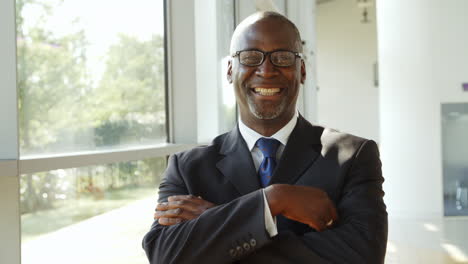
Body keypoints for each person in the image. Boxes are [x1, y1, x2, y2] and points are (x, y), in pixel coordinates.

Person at [143, 11, 387, 264]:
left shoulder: (353, 156)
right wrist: (272, 201)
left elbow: (362, 256)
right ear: (229, 70)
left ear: (301, 70)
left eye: (282, 57)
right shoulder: (187, 168)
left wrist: (221, 223)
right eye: (250, 57)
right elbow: (166, 255)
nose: (267, 70)